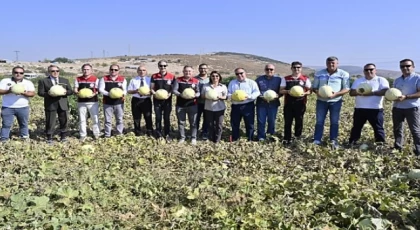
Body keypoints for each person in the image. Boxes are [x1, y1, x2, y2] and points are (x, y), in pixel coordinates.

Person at [312, 56, 350, 149]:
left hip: (335, 101)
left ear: (337, 63)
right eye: (329, 63)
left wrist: (336, 94)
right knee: (319, 121)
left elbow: (346, 88)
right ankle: (317, 140)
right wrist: (318, 93)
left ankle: (333, 140)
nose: (331, 65)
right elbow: (314, 87)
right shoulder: (319, 73)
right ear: (326, 64)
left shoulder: (343, 74)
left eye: (333, 63)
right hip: (321, 101)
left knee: (334, 122)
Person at [348, 63, 389, 146]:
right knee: (356, 127)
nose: (369, 71)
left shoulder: (381, 80)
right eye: (366, 70)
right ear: (364, 71)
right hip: (360, 108)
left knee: (378, 128)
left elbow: (385, 91)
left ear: (375, 70)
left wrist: (372, 93)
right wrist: (360, 92)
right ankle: (352, 142)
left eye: (371, 69)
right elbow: (351, 93)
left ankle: (380, 143)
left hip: (376, 109)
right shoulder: (359, 81)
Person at [37, 65, 73, 143]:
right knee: (50, 121)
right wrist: (49, 94)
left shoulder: (65, 80)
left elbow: (70, 91)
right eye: (53, 71)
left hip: (62, 104)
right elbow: (40, 93)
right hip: (51, 104)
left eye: (57, 71)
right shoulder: (43, 81)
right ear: (49, 72)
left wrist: (66, 92)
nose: (55, 72)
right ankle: (49, 137)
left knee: (64, 120)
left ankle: (63, 136)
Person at [392, 59, 420, 156]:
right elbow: (393, 92)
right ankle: (398, 147)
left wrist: (406, 97)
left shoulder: (417, 78)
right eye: (402, 66)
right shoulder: (397, 80)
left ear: (413, 67)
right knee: (397, 128)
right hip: (397, 107)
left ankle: (418, 150)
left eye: (407, 66)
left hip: (412, 108)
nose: (405, 68)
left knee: (415, 130)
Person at [0, 66, 36, 142]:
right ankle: (4, 139)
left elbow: (32, 93)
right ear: (13, 73)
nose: (18, 74)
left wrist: (24, 93)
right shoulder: (5, 81)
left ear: (23, 74)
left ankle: (24, 137)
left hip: (23, 107)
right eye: (16, 72)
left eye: (21, 73)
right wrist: (9, 91)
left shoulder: (27, 82)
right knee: (6, 124)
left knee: (23, 124)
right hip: (7, 107)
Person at [280, 61, 312, 144]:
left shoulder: (305, 79)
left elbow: (309, 91)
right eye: (294, 67)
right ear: (291, 68)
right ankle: (287, 138)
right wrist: (288, 91)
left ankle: (297, 137)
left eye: (298, 67)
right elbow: (281, 90)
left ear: (301, 68)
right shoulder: (286, 78)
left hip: (300, 104)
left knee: (299, 121)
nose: (296, 69)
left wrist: (304, 93)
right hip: (288, 104)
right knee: (288, 122)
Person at [227, 68, 260, 141]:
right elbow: (228, 93)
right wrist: (233, 96)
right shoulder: (232, 83)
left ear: (245, 73)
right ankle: (235, 138)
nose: (239, 75)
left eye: (241, 73)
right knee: (234, 123)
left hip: (248, 105)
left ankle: (250, 138)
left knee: (250, 123)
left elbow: (257, 92)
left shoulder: (252, 82)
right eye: (237, 74)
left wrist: (249, 97)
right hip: (235, 106)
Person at [173, 65, 200, 145]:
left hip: (193, 105)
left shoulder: (196, 81)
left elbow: (198, 91)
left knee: (193, 122)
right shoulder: (178, 80)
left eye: (189, 71)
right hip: (180, 105)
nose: (188, 72)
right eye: (186, 71)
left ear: (192, 72)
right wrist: (181, 94)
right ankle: (182, 137)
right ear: (183, 71)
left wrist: (196, 95)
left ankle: (193, 138)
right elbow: (174, 90)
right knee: (181, 122)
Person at [73, 63, 101, 141]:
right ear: (82, 70)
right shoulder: (78, 79)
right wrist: (77, 92)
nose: (86, 71)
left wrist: (94, 94)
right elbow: (75, 89)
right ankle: (83, 135)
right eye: (84, 69)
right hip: (81, 102)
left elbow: (98, 90)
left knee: (95, 118)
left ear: (91, 70)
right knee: (82, 119)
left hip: (93, 102)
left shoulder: (95, 79)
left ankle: (97, 134)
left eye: (88, 69)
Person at [99, 64, 127, 137]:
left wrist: (120, 94)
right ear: (109, 70)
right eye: (111, 69)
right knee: (108, 120)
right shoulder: (104, 79)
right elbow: (101, 89)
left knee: (119, 119)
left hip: (119, 102)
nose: (113, 71)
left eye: (115, 70)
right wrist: (109, 94)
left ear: (118, 71)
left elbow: (125, 90)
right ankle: (107, 134)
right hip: (107, 103)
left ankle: (119, 133)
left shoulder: (122, 79)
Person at [150, 60, 176, 141]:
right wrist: (154, 94)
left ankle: (167, 133)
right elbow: (151, 88)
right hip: (157, 100)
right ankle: (158, 133)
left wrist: (169, 94)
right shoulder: (154, 76)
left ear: (166, 66)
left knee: (166, 117)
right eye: (161, 66)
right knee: (158, 117)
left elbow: (173, 88)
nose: (163, 67)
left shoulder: (171, 76)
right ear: (158, 67)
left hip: (167, 100)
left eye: (164, 66)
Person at [255, 64, 282, 141]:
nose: (269, 71)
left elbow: (281, 91)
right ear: (265, 70)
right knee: (261, 121)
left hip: (273, 104)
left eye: (271, 69)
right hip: (261, 103)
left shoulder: (278, 79)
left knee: (272, 121)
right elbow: (256, 91)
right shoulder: (259, 79)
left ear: (274, 70)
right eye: (267, 69)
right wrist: (261, 96)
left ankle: (270, 135)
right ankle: (261, 136)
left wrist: (278, 95)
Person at [201, 71, 227, 143]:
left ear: (219, 77)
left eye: (216, 76)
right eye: (213, 76)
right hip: (209, 108)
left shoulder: (223, 86)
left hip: (220, 108)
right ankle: (211, 138)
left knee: (219, 124)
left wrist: (220, 97)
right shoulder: (206, 86)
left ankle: (217, 139)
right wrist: (208, 96)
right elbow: (202, 95)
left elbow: (226, 96)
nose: (215, 77)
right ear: (210, 77)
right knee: (210, 124)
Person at [127, 65, 153, 136]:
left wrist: (149, 93)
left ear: (146, 71)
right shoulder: (133, 80)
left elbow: (153, 90)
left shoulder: (150, 79)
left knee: (148, 116)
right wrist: (135, 91)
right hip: (136, 100)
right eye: (140, 70)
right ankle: (137, 131)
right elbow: (128, 91)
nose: (142, 72)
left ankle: (149, 131)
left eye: (143, 70)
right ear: (137, 71)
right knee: (136, 117)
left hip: (146, 100)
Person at [195, 63, 210, 140]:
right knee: (196, 118)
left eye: (205, 68)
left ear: (207, 69)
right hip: (196, 102)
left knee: (207, 119)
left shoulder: (211, 79)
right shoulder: (194, 79)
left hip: (208, 102)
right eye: (201, 68)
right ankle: (195, 132)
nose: (203, 70)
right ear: (199, 69)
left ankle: (205, 132)